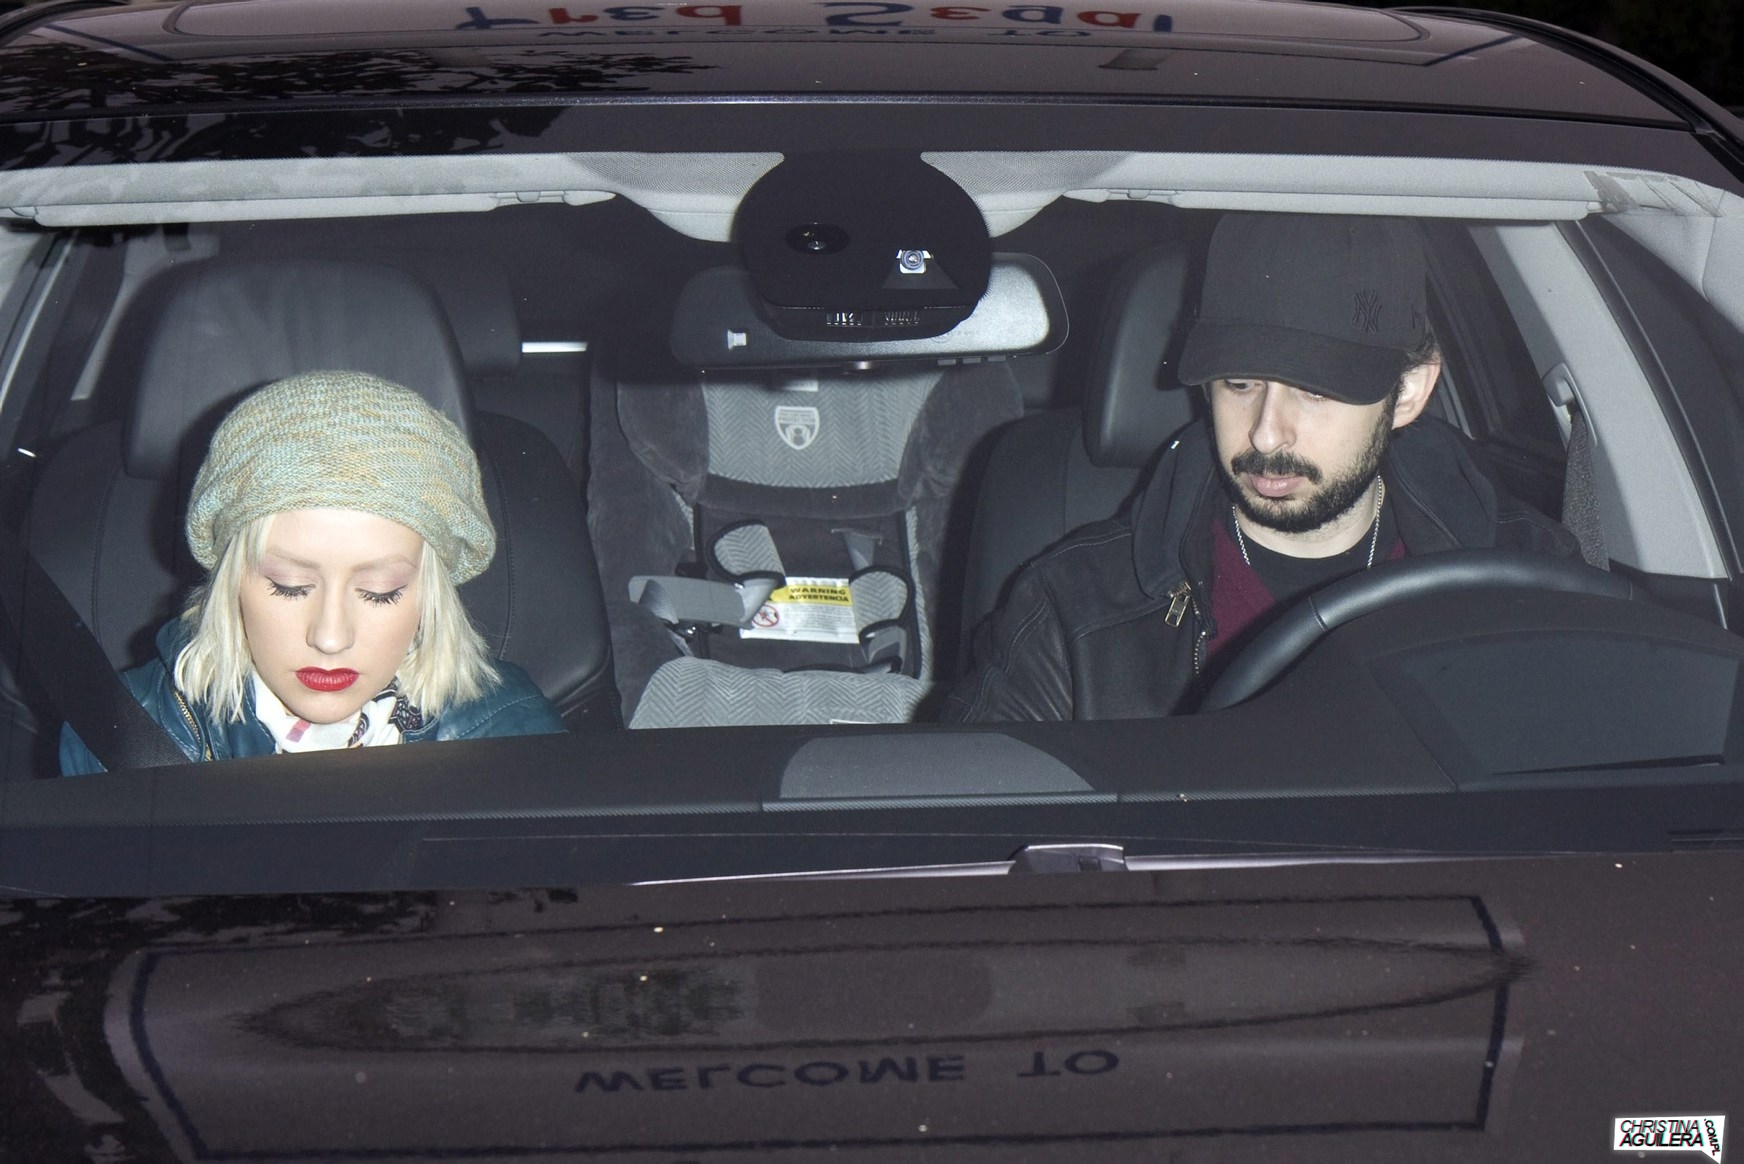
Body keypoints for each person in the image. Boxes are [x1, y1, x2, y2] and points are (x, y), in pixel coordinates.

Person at [944, 213, 1579, 722]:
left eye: (1314, 390)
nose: (1266, 432)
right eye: (1240, 383)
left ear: (1408, 392)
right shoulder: (1073, 612)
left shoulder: (1528, 579)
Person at [61, 371, 563, 773]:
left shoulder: (509, 735)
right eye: (290, 586)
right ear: (232, 584)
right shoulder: (122, 735)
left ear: (430, 595)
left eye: (380, 592)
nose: (330, 638)